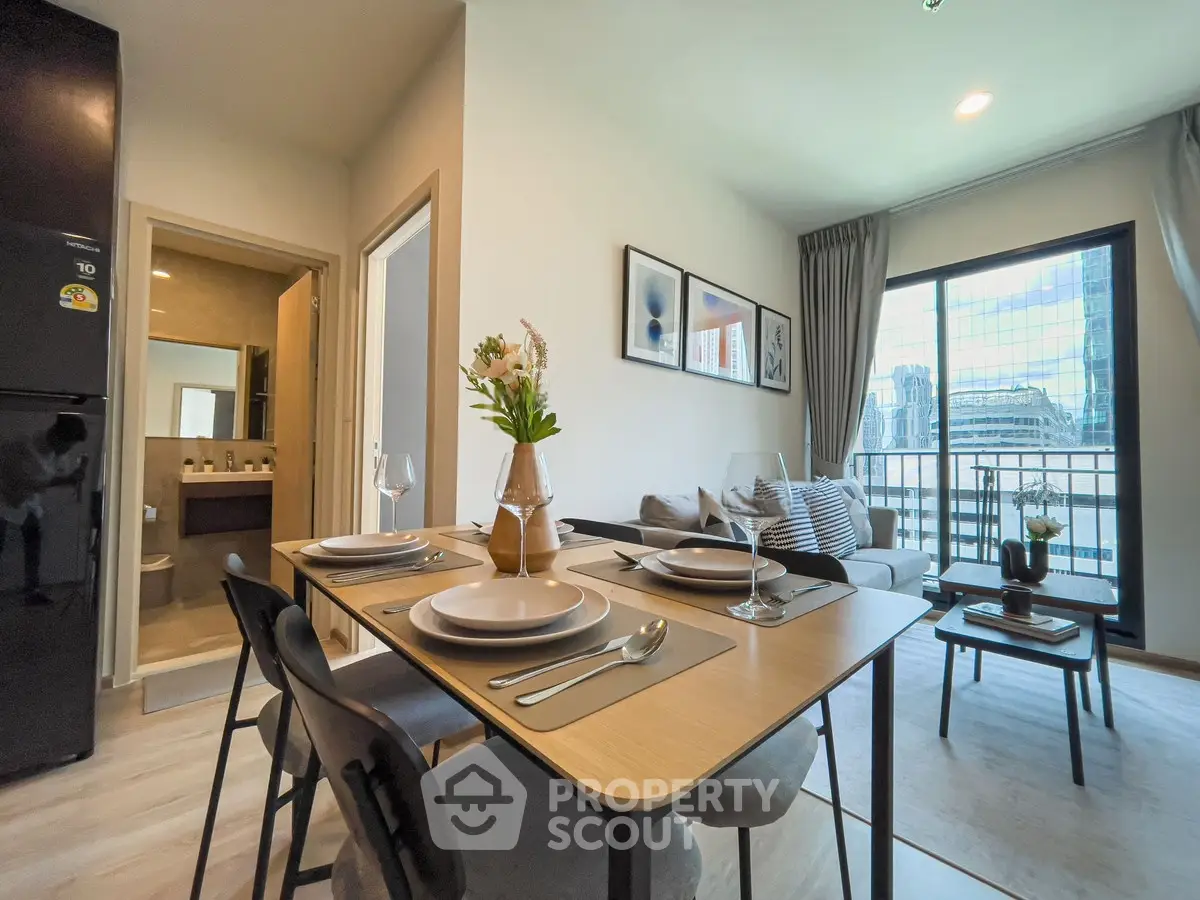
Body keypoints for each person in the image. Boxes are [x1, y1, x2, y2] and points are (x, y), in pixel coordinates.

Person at [0, 414, 88, 601]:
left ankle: (32, 590)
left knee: (33, 545)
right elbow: (30, 481)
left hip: (28, 503)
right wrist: (66, 479)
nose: (67, 450)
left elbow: (59, 472)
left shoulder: (58, 452)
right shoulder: (24, 446)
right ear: (55, 435)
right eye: (68, 444)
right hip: (3, 499)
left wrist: (74, 475)